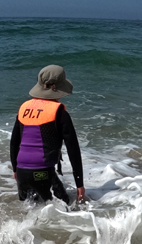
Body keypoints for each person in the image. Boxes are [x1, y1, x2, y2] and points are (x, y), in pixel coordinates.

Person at [10, 65, 85, 205]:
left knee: (29, 210)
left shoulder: (24, 108)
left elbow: (14, 143)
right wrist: (79, 184)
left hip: (21, 171)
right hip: (43, 172)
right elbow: (73, 149)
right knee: (65, 207)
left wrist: (15, 169)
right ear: (58, 87)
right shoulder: (60, 113)